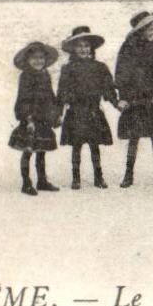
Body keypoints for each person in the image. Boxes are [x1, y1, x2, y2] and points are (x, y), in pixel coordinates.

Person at [56, 24, 118, 190]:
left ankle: (99, 177)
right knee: (76, 146)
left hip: (93, 111)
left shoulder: (100, 67)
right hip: (76, 112)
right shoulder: (68, 69)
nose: (83, 49)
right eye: (79, 46)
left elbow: (108, 90)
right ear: (73, 49)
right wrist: (58, 112)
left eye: (86, 46)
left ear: (91, 48)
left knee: (94, 145)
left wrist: (116, 103)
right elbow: (62, 92)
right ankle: (76, 178)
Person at [115, 10, 153, 187]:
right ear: (141, 29)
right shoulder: (128, 46)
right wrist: (123, 97)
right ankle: (128, 174)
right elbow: (121, 73)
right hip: (135, 98)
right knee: (134, 136)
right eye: (149, 26)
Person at [8, 40, 60, 196]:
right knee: (28, 150)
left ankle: (42, 181)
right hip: (30, 119)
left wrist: (55, 114)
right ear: (27, 60)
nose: (38, 61)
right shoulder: (26, 77)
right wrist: (28, 118)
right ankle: (26, 183)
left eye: (41, 58)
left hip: (44, 118)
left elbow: (50, 96)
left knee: (41, 150)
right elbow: (23, 99)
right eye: (34, 58)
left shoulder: (45, 75)